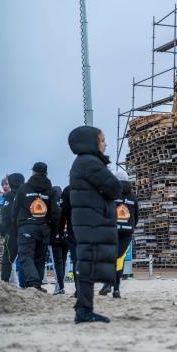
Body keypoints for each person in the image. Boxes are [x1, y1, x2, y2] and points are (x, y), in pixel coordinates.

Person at [68, 126, 122, 324]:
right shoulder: (90, 163)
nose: (105, 143)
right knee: (88, 264)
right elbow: (114, 188)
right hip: (93, 222)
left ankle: (85, 308)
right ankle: (84, 311)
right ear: (92, 142)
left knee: (88, 263)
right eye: (102, 140)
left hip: (89, 221)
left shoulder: (83, 162)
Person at [11, 163, 59, 292]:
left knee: (26, 256)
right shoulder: (51, 190)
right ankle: (37, 286)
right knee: (39, 258)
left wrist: (15, 226)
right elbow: (55, 213)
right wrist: (53, 231)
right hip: (44, 228)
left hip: (26, 227)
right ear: (46, 173)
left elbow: (14, 210)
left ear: (33, 172)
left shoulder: (24, 188)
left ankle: (33, 283)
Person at [99, 171, 138, 299]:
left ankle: (108, 283)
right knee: (119, 259)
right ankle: (116, 289)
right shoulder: (133, 196)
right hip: (127, 233)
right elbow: (136, 215)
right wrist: (130, 227)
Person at [0, 173, 25, 283]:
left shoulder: (9, 196)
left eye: (7, 183)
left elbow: (7, 217)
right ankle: (28, 285)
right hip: (26, 232)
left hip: (12, 233)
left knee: (7, 260)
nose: (5, 186)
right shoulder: (26, 194)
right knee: (25, 260)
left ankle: (4, 283)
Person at [58, 185, 78, 297]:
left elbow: (63, 212)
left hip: (74, 230)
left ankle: (80, 290)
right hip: (91, 230)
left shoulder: (69, 189)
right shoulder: (93, 186)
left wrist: (60, 230)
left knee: (77, 260)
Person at [50, 186, 68, 295]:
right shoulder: (65, 204)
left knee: (57, 263)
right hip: (66, 237)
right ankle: (62, 286)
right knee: (63, 261)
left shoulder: (52, 205)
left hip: (55, 238)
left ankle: (59, 287)